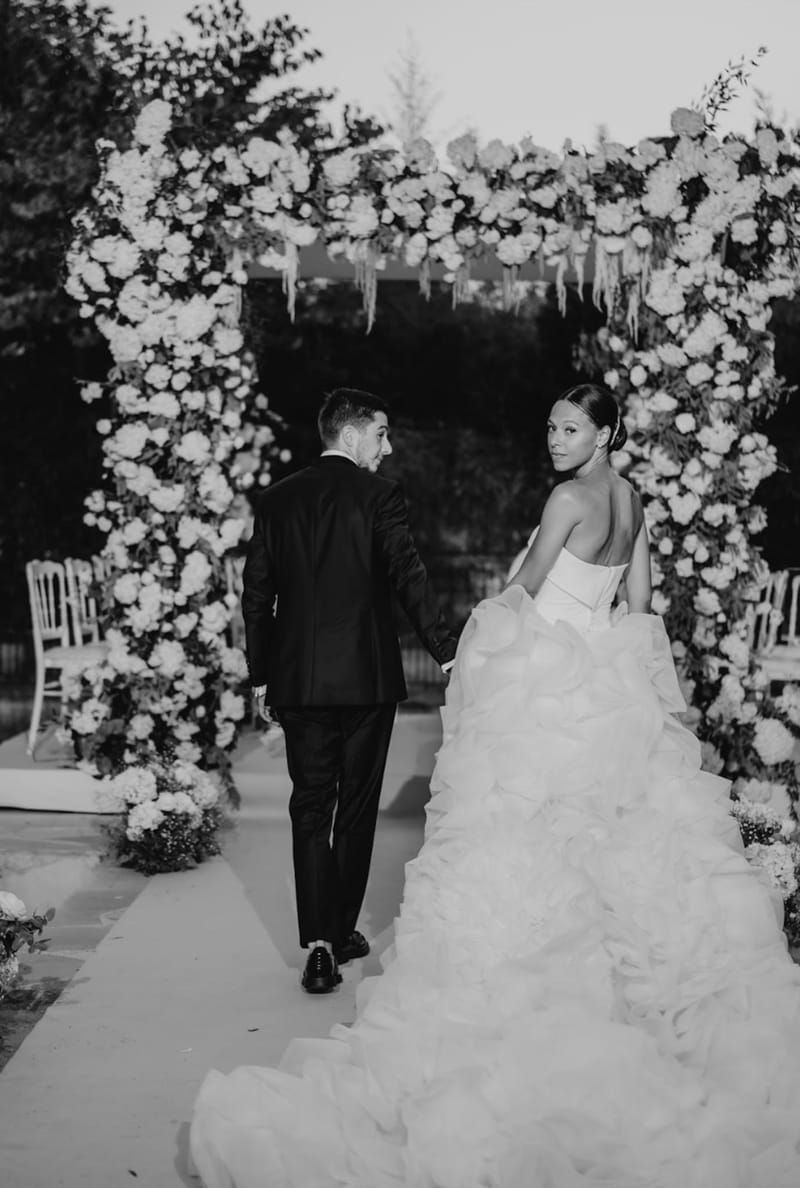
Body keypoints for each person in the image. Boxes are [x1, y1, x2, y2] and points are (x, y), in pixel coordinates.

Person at [191, 383, 800, 1186]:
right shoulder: (630, 500)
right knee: (609, 834)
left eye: (569, 426)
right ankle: (368, 937)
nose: (554, 438)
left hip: (471, 682)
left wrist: (479, 639)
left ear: (605, 431)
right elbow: (641, 604)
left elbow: (524, 587)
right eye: (550, 426)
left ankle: (327, 939)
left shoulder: (552, 499)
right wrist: (473, 645)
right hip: (591, 685)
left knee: (438, 820)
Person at [240, 387, 458, 995]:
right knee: (356, 806)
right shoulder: (379, 496)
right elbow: (408, 575)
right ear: (353, 434)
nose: (388, 449)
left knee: (310, 806)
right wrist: (447, 650)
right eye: (382, 434)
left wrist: (262, 675)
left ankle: (316, 944)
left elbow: (256, 595)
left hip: (300, 683)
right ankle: (338, 933)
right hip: (366, 681)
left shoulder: (277, 499)